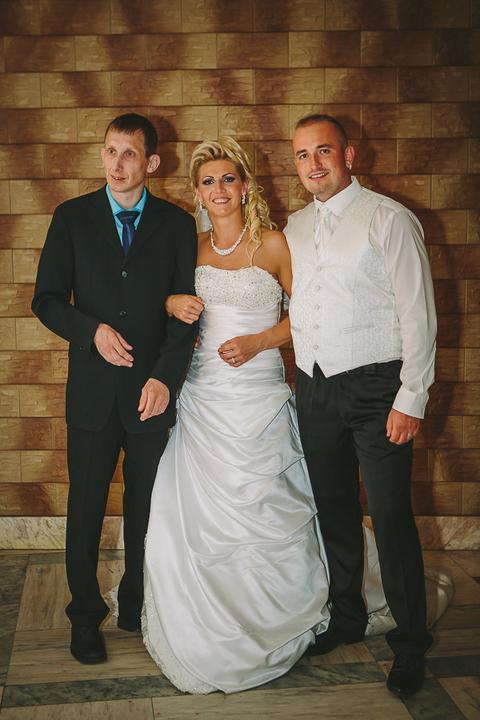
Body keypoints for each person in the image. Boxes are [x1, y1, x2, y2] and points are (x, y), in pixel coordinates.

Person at [141, 137, 394, 694]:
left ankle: (296, 606)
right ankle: (207, 611)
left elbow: (308, 315)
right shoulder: (190, 247)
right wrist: (168, 302)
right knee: (196, 514)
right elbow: (156, 301)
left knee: (275, 503)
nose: (219, 190)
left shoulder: (276, 244)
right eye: (208, 182)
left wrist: (258, 342)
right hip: (203, 401)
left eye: (228, 178)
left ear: (246, 187)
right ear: (197, 194)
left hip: (260, 395)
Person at [31, 113, 197, 665]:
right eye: (110, 151)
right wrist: (91, 331)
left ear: (152, 162)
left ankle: (136, 603)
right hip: (93, 393)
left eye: (129, 154)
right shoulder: (71, 217)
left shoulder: (176, 225)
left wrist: (164, 377)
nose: (117, 164)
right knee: (85, 507)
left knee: (147, 507)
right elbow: (46, 300)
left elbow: (185, 313)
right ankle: (84, 616)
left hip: (152, 393)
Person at [284, 113, 437, 696]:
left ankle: (411, 641)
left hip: (379, 389)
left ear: (348, 155)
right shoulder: (295, 226)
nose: (313, 164)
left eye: (323, 151)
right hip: (314, 386)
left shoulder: (389, 218)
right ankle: (347, 616)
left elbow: (418, 314)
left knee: (391, 515)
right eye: (303, 155)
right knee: (334, 509)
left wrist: (411, 397)